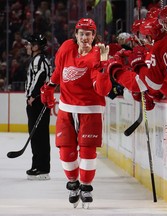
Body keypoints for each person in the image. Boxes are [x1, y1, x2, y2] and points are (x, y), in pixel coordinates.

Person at [40, 18, 111, 208]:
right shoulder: (66, 47)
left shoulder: (99, 53)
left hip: (91, 110)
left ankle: (86, 186)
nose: (85, 37)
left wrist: (104, 66)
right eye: (82, 33)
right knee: (65, 151)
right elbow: (59, 70)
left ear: (94, 36)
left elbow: (103, 90)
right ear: (76, 34)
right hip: (66, 108)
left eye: (89, 34)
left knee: (87, 151)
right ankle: (73, 183)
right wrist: (50, 86)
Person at [24, 33, 52, 180]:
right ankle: (41, 166)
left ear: (36, 46)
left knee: (38, 135)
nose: (27, 46)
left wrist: (32, 96)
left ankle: (40, 167)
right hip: (38, 101)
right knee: (39, 134)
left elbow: (41, 77)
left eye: (29, 44)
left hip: (37, 102)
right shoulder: (39, 59)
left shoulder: (39, 60)